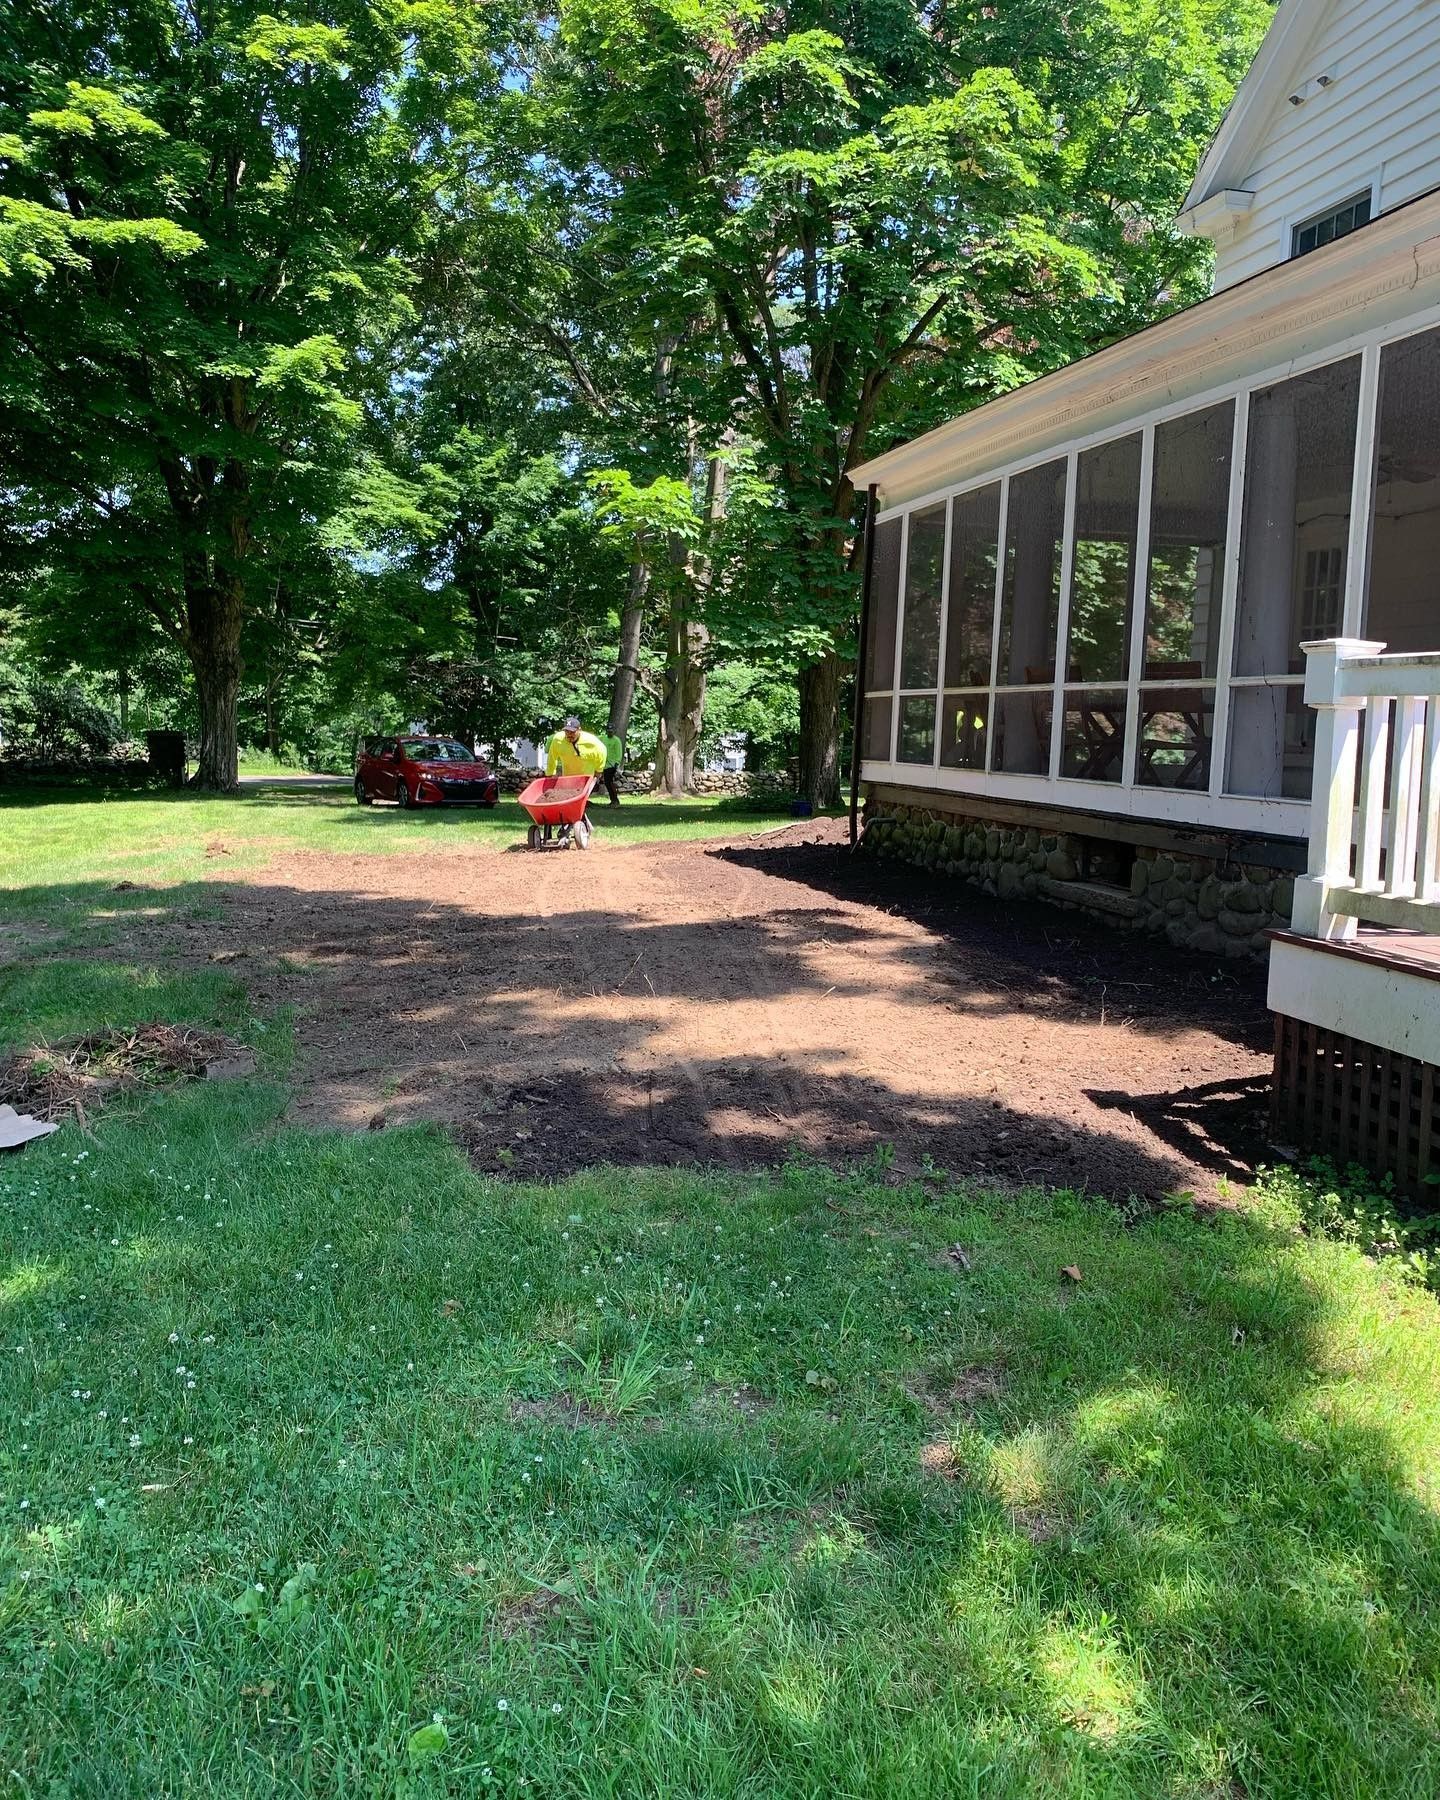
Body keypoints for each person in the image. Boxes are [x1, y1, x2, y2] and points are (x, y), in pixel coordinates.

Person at [543, 716, 608, 840]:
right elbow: (552, 757)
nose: (569, 734)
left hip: (585, 779)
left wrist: (599, 771)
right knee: (569, 804)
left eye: (572, 732)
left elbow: (602, 753)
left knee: (577, 804)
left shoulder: (592, 742)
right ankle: (578, 825)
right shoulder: (558, 740)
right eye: (567, 731)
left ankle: (572, 826)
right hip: (568, 779)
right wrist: (550, 774)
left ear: (579, 730)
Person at [599, 729, 623, 806]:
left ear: (613, 732)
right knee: (607, 783)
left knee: (609, 782)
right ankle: (613, 800)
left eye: (611, 731)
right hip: (605, 764)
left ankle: (615, 800)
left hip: (612, 764)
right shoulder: (603, 738)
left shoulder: (616, 740)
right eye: (608, 731)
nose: (610, 733)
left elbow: (619, 752)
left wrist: (617, 762)